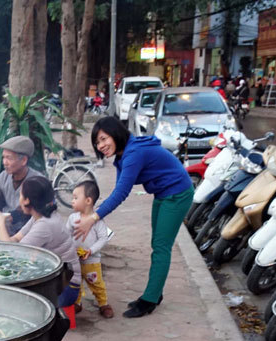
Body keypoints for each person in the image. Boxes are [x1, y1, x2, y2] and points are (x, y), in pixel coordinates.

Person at [72, 116, 193, 318]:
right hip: (163, 194)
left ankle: (150, 299)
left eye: (103, 139)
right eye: (97, 142)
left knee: (161, 247)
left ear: (116, 133)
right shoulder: (123, 155)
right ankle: (154, 293)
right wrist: (94, 214)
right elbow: (118, 190)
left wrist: (92, 218)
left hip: (177, 194)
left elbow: (121, 193)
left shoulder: (133, 153)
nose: (101, 145)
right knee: (157, 244)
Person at [0, 176, 81, 308]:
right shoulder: (41, 216)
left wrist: (0, 223)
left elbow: (11, 255)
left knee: (10, 301)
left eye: (21, 195)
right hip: (56, 280)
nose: (20, 200)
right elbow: (16, 239)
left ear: (27, 200)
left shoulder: (45, 225)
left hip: (66, 287)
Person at [68, 181, 115, 318]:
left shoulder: (97, 221)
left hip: (92, 261)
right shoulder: (72, 218)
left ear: (88, 200)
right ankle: (76, 303)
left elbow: (103, 238)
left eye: (76, 198)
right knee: (75, 282)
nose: (72, 201)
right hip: (74, 260)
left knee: (96, 283)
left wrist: (91, 250)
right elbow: (66, 235)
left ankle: (103, 303)